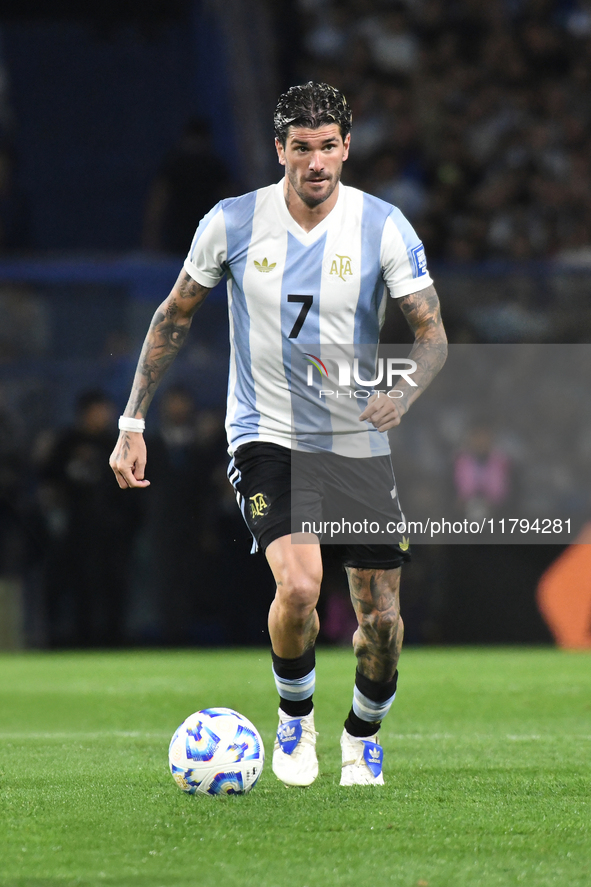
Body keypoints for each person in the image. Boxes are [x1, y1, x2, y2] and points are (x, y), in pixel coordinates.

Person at [110, 82, 447, 786]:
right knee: (298, 586)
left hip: (353, 438)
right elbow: (174, 316)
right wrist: (132, 419)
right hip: (265, 433)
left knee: (380, 618)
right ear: (278, 149)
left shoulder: (382, 225)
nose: (315, 162)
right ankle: (296, 718)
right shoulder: (232, 223)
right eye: (301, 148)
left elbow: (430, 335)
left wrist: (403, 390)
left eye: (328, 147)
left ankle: (362, 736)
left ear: (347, 147)